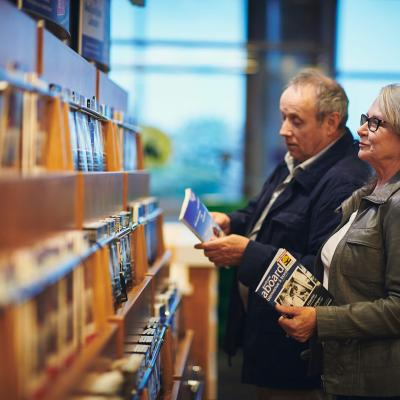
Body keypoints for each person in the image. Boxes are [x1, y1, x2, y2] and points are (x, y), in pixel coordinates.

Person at [195, 69, 370, 400]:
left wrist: (247, 254)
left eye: (296, 120)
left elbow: (322, 273)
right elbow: (261, 212)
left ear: (331, 123)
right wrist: (232, 221)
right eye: (283, 117)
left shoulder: (344, 181)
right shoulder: (298, 158)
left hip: (297, 354)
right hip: (267, 334)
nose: (283, 130)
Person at [277, 84, 400, 400]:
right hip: (342, 371)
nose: (361, 128)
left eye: (376, 122)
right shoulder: (366, 194)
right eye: (365, 118)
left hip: (376, 382)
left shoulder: (397, 205)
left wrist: (321, 320)